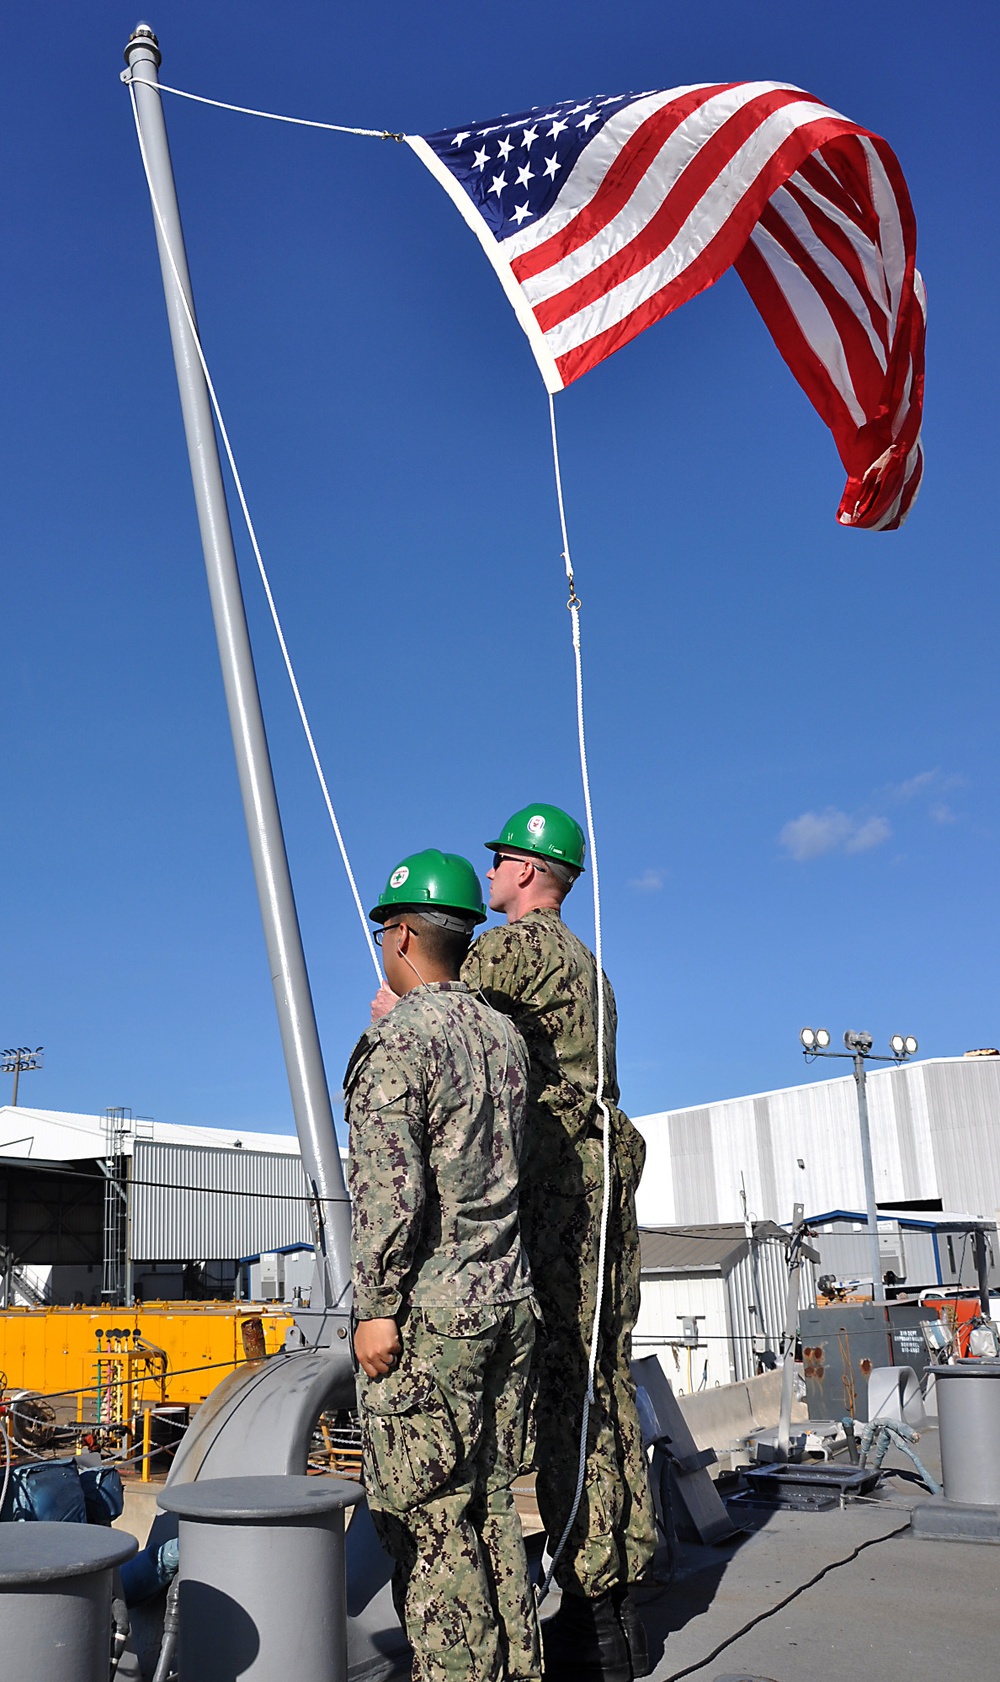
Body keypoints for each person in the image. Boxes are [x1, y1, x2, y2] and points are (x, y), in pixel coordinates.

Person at [373, 807, 658, 1682]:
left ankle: (574, 1622)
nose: (489, 873)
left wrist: (402, 1009)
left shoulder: (507, 954)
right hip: (602, 1189)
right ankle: (610, 1602)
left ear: (532, 872)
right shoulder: (590, 966)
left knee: (562, 1396)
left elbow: (463, 1042)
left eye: (500, 861)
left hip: (551, 1191)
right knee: (603, 1381)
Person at [347, 848, 542, 1682]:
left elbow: (390, 1191)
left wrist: (375, 1305)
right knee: (494, 1506)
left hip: (432, 1316)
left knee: (429, 1524)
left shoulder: (398, 1040)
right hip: (509, 1300)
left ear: (399, 934)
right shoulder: (504, 1034)